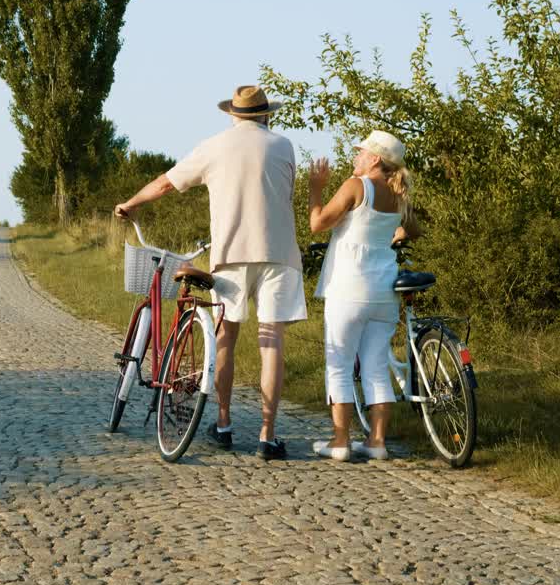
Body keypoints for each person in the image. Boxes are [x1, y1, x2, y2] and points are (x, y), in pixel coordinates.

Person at [114, 85, 306, 460]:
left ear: (233, 114)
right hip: (279, 256)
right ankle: (268, 436)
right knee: (271, 344)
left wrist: (131, 203)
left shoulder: (214, 146)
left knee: (225, 339)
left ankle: (223, 424)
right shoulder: (284, 146)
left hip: (232, 255)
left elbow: (167, 182)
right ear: (266, 114)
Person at [307, 130, 422, 461]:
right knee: (374, 366)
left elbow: (318, 223)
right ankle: (377, 442)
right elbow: (414, 229)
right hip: (384, 292)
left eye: (360, 153)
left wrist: (315, 189)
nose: (355, 158)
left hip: (348, 289)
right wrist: (392, 235)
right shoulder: (398, 193)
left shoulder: (356, 186)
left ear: (374, 159)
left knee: (339, 365)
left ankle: (340, 441)